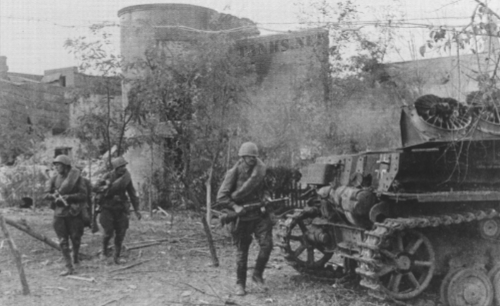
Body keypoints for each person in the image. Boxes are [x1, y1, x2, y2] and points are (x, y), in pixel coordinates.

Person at [216, 142, 272, 296]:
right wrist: (235, 207)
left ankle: (257, 275)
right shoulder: (233, 172)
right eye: (249, 157)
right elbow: (221, 197)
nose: (253, 160)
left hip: (259, 214)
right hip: (241, 217)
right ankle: (240, 284)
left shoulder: (260, 170)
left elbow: (266, 189)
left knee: (267, 245)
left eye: (254, 157)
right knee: (242, 252)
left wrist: (266, 198)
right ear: (242, 157)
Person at [44, 154, 87, 276]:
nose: (57, 167)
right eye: (55, 165)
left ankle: (76, 258)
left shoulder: (77, 179)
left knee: (76, 238)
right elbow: (45, 195)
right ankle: (69, 267)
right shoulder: (53, 179)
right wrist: (53, 196)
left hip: (74, 213)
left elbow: (84, 195)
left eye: (59, 165)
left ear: (66, 166)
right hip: (59, 214)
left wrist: (69, 197)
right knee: (63, 241)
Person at [94, 156, 141, 264]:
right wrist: (105, 188)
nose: (123, 168)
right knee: (108, 232)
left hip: (120, 209)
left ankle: (117, 256)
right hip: (107, 208)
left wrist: (137, 209)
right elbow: (95, 188)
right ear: (115, 168)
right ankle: (104, 252)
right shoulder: (107, 176)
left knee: (121, 232)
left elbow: (132, 194)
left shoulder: (126, 178)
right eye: (121, 167)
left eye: (124, 166)